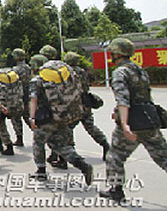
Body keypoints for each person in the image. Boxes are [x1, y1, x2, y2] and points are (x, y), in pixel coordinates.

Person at [100, 38, 167, 202]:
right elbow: (143, 97)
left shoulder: (120, 72)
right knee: (163, 157)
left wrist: (124, 124)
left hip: (132, 122)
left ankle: (116, 191)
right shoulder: (140, 70)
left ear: (117, 53)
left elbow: (124, 100)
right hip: (148, 119)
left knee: (114, 156)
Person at [28, 54, 93, 184]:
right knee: (59, 145)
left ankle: (41, 171)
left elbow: (33, 99)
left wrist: (32, 117)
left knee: (38, 143)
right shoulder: (63, 78)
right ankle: (82, 165)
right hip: (64, 115)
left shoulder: (37, 81)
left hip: (46, 119)